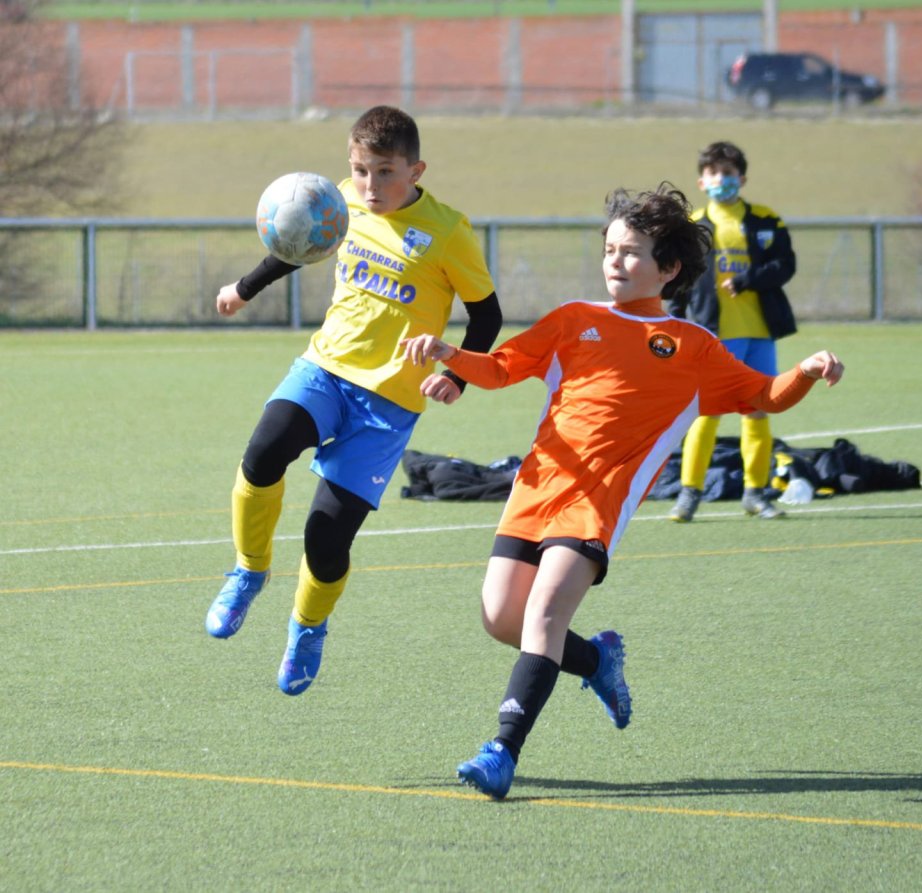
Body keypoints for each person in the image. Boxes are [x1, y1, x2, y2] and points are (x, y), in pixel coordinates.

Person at [401, 182, 843, 799]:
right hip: (535, 489)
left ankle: (501, 749)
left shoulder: (692, 347)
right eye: (610, 249)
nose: (615, 261)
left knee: (545, 613)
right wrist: (451, 355)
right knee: (502, 619)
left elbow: (764, 396)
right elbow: (501, 368)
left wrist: (806, 371)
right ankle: (597, 661)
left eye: (631, 252)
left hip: (597, 502)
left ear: (669, 269)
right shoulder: (573, 320)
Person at [204, 105, 503, 696]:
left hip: (388, 404)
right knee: (263, 453)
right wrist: (244, 288)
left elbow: (487, 315)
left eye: (385, 172)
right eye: (361, 170)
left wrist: (459, 375)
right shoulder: (338, 202)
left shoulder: (448, 231)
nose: (370, 185)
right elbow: (297, 243)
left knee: (325, 538)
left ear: (416, 170)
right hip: (324, 369)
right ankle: (248, 571)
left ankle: (307, 627)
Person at [665, 140, 797, 522]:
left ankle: (756, 494)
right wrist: (675, 322)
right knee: (706, 414)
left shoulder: (766, 220)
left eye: (728, 173)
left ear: (742, 178)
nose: (721, 179)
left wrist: (749, 279)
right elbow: (678, 280)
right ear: (701, 182)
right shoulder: (692, 227)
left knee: (757, 412)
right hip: (715, 336)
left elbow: (786, 265)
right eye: (713, 173)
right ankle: (689, 494)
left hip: (760, 334)